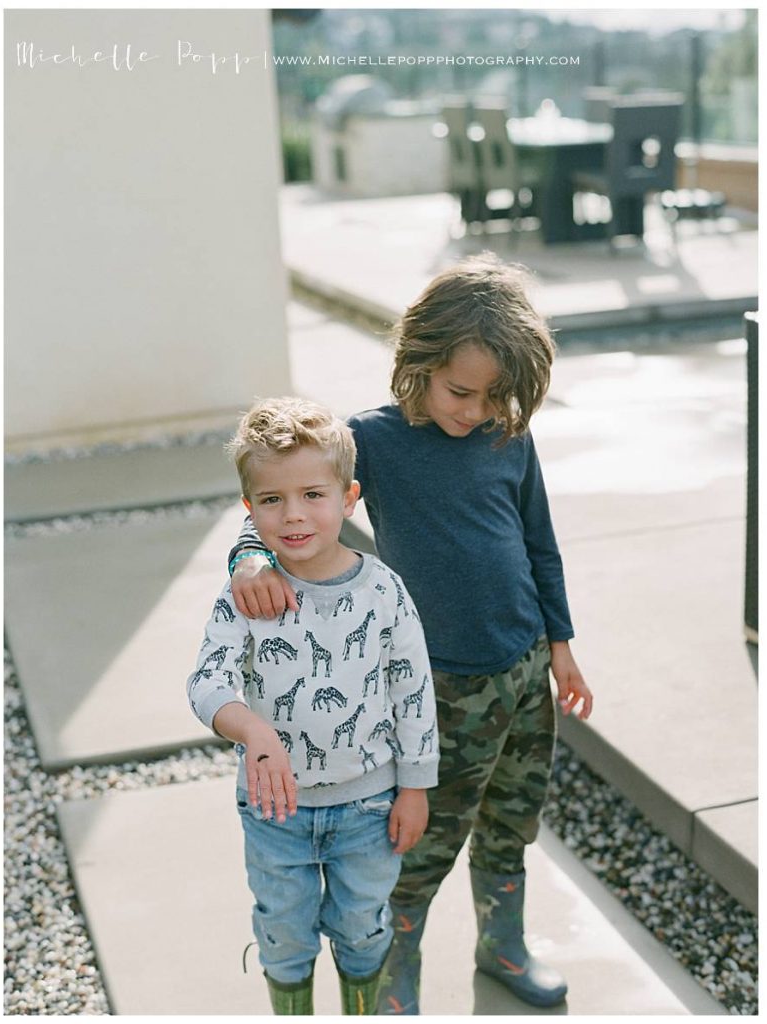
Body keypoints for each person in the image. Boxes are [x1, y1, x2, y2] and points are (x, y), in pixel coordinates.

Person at [226, 254, 593, 1014]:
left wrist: (560, 647)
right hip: (439, 692)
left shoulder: (507, 435)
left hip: (524, 676)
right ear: (419, 361)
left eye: (495, 396)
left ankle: (502, 947)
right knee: (415, 855)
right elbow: (279, 493)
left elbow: (540, 543)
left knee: (510, 827)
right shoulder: (372, 441)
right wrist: (253, 556)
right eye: (462, 391)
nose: (476, 410)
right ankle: (395, 993)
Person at [188, 397, 439, 1016]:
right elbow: (207, 681)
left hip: (369, 807)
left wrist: (416, 787)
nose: (293, 515)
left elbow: (412, 690)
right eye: (272, 500)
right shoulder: (248, 594)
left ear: (348, 497)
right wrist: (253, 731)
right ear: (250, 509)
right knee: (284, 933)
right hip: (276, 811)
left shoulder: (383, 590)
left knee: (362, 927)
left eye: (312, 495)